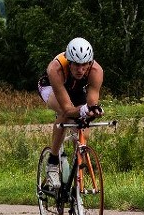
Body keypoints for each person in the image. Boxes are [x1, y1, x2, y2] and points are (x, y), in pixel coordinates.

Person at [37, 37, 104, 189]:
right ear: (69, 61)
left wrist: (93, 109)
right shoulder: (55, 69)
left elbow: (92, 99)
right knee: (65, 114)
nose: (80, 70)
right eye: (76, 65)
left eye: (84, 65)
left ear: (90, 62)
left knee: (83, 129)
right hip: (51, 87)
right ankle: (53, 163)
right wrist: (82, 110)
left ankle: (77, 176)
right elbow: (67, 108)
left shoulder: (96, 71)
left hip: (76, 90)